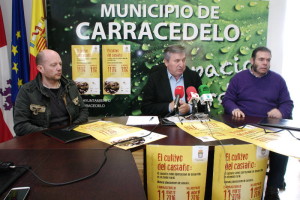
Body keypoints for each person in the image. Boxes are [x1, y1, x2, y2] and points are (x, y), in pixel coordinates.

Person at [222, 46, 293, 200]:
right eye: (261, 59)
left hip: (269, 126)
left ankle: (273, 188)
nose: (265, 63)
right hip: (243, 125)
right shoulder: (239, 78)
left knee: (282, 147)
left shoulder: (278, 80)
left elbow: (287, 103)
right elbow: (227, 99)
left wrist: (280, 112)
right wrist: (233, 108)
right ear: (252, 61)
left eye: (268, 60)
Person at [13, 49, 89, 136]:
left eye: (60, 64)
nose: (59, 68)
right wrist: (50, 133)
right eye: (53, 65)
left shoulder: (70, 85)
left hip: (70, 137)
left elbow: (83, 110)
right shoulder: (27, 91)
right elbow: (20, 126)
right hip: (43, 141)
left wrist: (73, 128)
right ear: (40, 68)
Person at [141, 45, 202, 117]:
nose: (181, 65)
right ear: (166, 62)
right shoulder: (155, 78)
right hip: (164, 124)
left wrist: (190, 108)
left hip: (189, 124)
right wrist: (169, 107)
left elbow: (203, 104)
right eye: (177, 61)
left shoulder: (193, 76)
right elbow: (146, 107)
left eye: (183, 60)